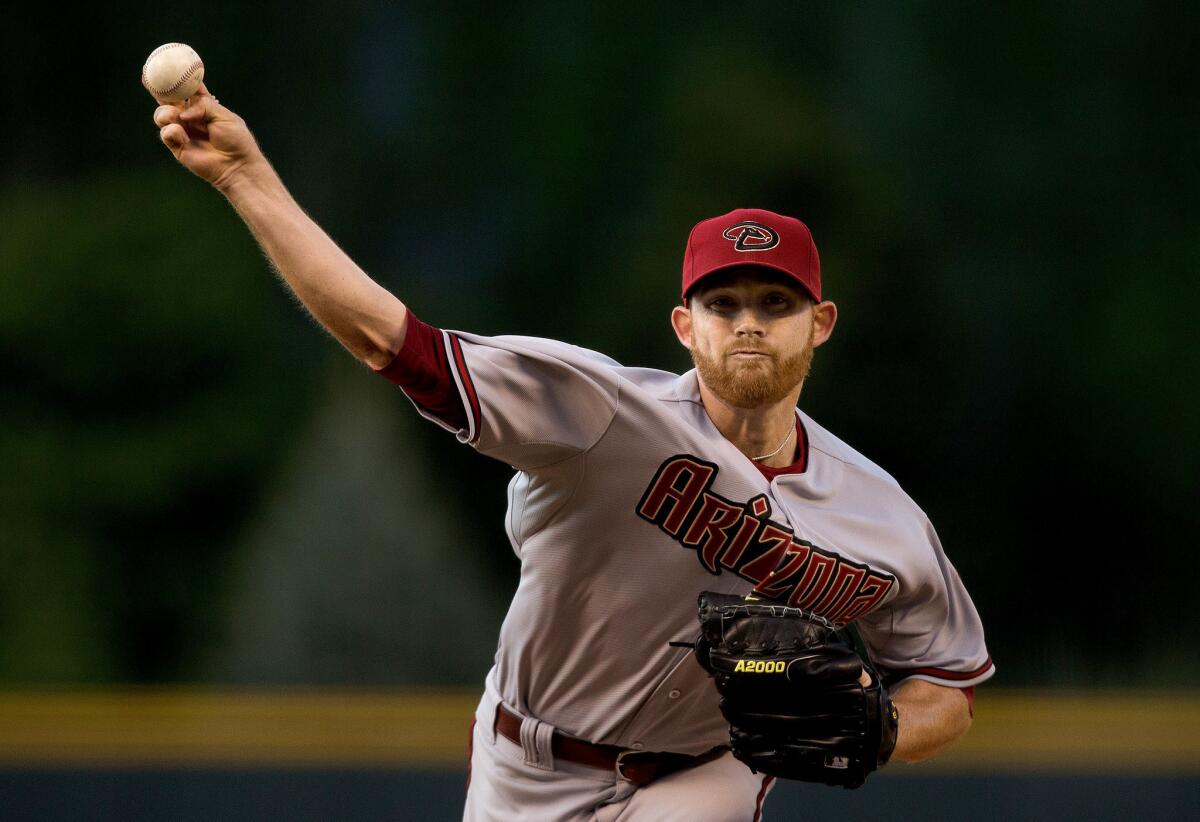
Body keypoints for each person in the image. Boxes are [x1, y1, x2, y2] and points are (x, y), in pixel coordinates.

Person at [151, 85, 994, 821]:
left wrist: (885, 727)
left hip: (709, 776)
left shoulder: (882, 517)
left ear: (820, 323)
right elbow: (391, 337)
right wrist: (242, 176)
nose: (746, 321)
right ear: (684, 325)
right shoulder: (603, 413)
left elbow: (946, 681)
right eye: (722, 300)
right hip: (532, 762)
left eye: (775, 302)